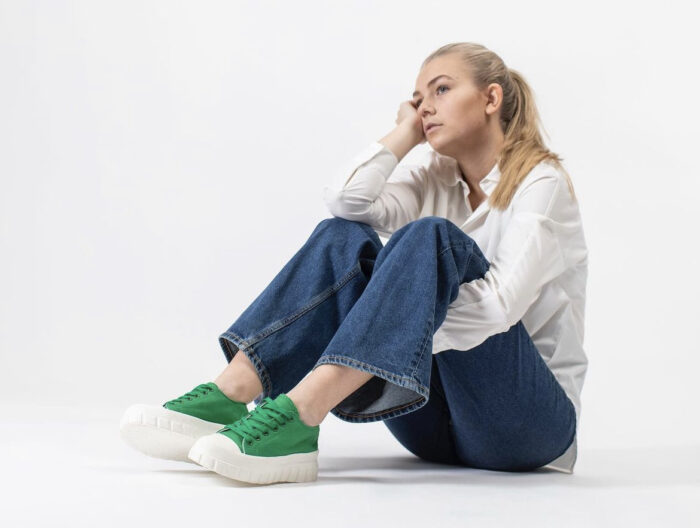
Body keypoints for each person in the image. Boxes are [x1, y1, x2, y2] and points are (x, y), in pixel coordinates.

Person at [120, 42, 588, 485]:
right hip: (430, 429)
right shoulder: (434, 177)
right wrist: (406, 133)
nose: (425, 107)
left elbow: (497, 308)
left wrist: (375, 323)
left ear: (490, 98)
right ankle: (233, 391)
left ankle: (304, 410)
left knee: (430, 237)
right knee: (342, 236)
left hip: (524, 428)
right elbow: (347, 202)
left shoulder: (541, 183)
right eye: (417, 100)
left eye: (441, 90)